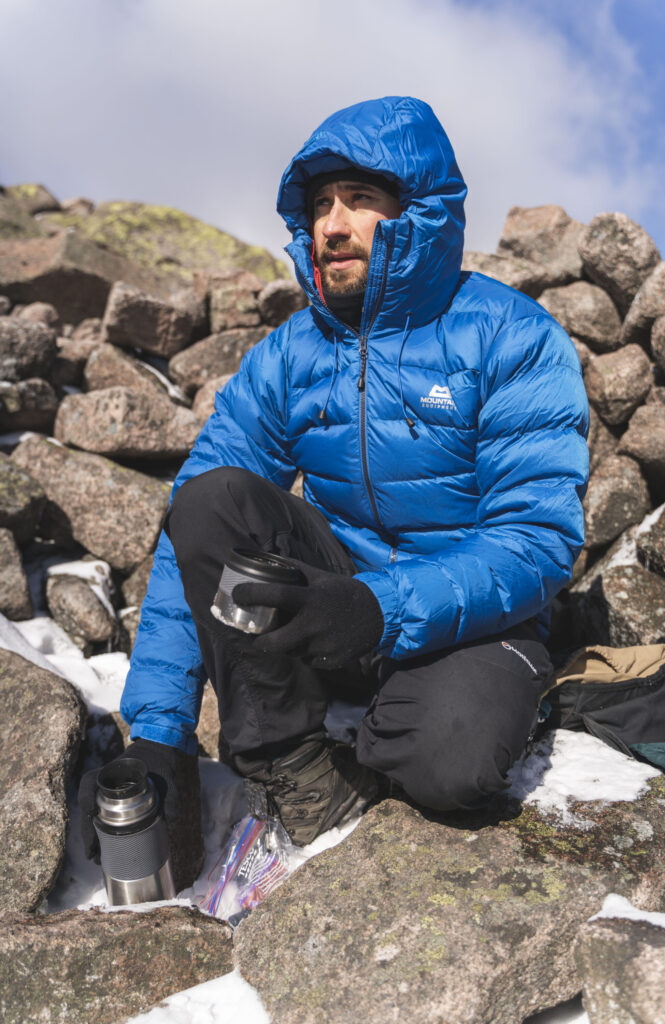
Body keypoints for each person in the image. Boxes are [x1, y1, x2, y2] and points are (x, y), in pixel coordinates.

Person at [79, 96, 589, 890]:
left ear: (417, 212)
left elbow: (537, 539)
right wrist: (159, 733)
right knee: (213, 499)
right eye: (319, 204)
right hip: (334, 611)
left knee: (449, 764)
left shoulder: (510, 336)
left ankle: (418, 730)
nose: (332, 224)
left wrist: (380, 609)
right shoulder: (291, 354)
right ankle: (296, 767)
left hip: (470, 620)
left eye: (360, 200)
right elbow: (195, 526)